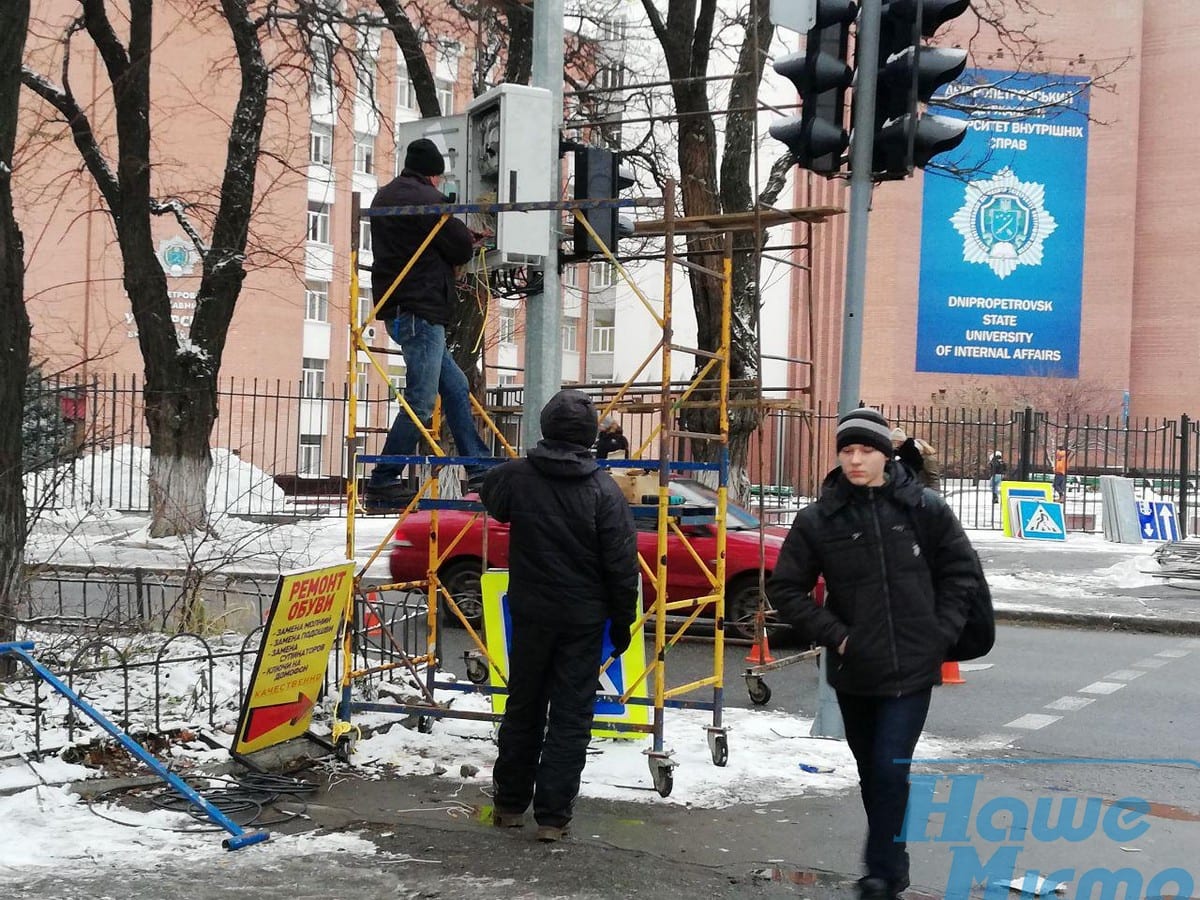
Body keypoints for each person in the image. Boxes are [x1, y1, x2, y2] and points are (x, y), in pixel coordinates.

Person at [766, 408, 977, 900]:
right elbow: (787, 587)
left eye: (866, 450)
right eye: (847, 450)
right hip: (854, 668)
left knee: (889, 766)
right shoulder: (820, 518)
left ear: (886, 454)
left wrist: (938, 635)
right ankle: (894, 858)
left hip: (912, 668)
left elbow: (961, 576)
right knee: (872, 772)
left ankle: (879, 873)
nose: (856, 460)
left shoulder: (924, 509)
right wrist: (836, 636)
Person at [479, 389, 639, 842]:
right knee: (570, 717)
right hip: (583, 621)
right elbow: (621, 565)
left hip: (531, 613)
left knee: (524, 706)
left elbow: (494, 499)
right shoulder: (603, 491)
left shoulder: (517, 477)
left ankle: (509, 804)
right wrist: (623, 621)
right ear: (589, 436)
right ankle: (552, 818)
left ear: (546, 427)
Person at [365, 138, 491, 508]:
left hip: (396, 307)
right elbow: (459, 248)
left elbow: (421, 242)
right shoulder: (431, 201)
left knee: (455, 386)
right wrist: (470, 240)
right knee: (421, 403)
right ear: (434, 175)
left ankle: (478, 465)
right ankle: (383, 480)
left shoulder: (383, 197)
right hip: (421, 310)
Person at [890, 427, 941, 493]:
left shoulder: (928, 459)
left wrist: (934, 493)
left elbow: (934, 478)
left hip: (925, 491)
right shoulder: (907, 456)